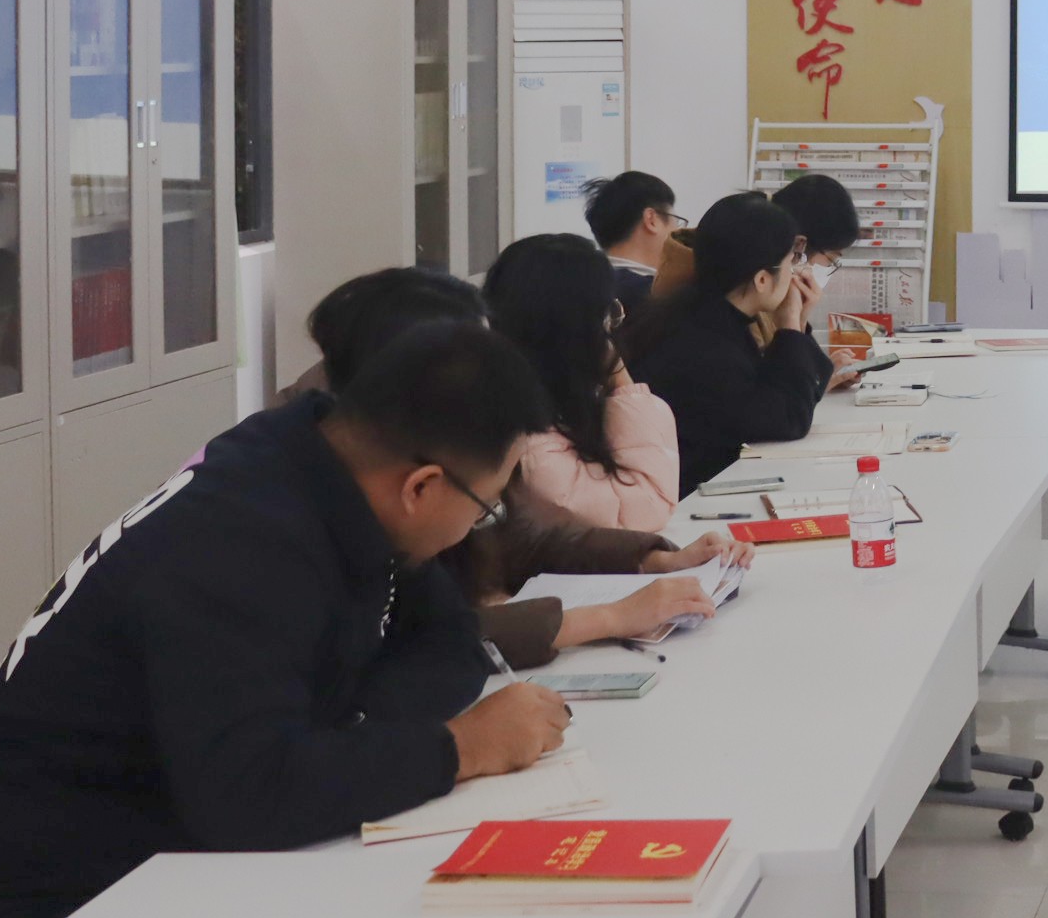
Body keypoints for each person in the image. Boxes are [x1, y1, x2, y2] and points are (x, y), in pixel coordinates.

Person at [0, 322, 572, 918]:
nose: (474, 528)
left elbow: (450, 642)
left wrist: (350, 734)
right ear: (420, 487)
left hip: (170, 866)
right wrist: (459, 749)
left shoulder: (331, 475)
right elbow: (252, 795)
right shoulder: (239, 545)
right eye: (484, 508)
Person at [303, 265, 740, 669]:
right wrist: (608, 616)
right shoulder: (309, 511)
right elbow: (416, 638)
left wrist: (654, 558)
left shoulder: (419, 440)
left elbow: (516, 539)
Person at [627, 192, 841, 495]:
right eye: (791, 261)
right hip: (687, 499)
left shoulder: (702, 314)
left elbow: (794, 396)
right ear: (762, 280)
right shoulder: (702, 345)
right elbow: (787, 420)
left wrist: (797, 322)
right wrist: (790, 324)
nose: (795, 272)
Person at [487, 233, 683, 531]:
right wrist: (622, 382)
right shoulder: (527, 439)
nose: (613, 324)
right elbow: (645, 509)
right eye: (607, 312)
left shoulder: (546, 399)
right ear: (577, 328)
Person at [584, 170, 682, 315]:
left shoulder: (582, 285)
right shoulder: (663, 300)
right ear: (652, 220)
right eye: (677, 222)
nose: (678, 231)